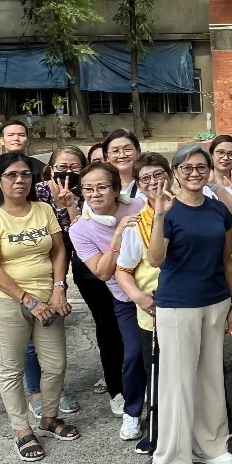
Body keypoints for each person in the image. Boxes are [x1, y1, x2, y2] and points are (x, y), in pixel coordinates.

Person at [146, 144, 232, 464]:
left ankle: (210, 444)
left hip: (215, 301)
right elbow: (155, 259)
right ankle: (170, 459)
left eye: (201, 167)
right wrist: (159, 215)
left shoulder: (216, 209)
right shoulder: (167, 210)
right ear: (175, 172)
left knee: (211, 378)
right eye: (186, 168)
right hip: (177, 305)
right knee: (178, 383)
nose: (194, 173)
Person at [0, 152, 76, 462]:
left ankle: (48, 418)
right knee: (12, 368)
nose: (20, 180)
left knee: (55, 364)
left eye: (25, 174)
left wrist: (59, 289)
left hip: (49, 299)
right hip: (8, 302)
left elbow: (59, 251)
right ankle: (22, 429)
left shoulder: (44, 209)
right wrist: (28, 300)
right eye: (11, 175)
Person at [68, 162, 144, 439]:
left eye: (101, 187)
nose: (95, 194)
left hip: (158, 292)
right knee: (134, 352)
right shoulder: (80, 229)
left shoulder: (136, 206)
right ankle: (132, 412)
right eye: (88, 189)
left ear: (115, 189)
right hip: (124, 297)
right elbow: (101, 272)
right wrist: (118, 232)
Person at [115, 152, 172, 455]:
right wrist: (138, 296)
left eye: (159, 174)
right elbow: (122, 269)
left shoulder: (190, 208)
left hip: (189, 305)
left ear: (170, 175)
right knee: (158, 372)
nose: (153, 182)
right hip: (152, 307)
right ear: (137, 184)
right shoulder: (137, 224)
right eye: (145, 178)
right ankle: (159, 430)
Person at [27, 146, 87, 417]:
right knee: (33, 328)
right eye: (62, 166)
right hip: (37, 263)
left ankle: (54, 389)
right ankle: (37, 391)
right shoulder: (34, 191)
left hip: (74, 258)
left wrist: (71, 204)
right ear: (50, 168)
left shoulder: (88, 191)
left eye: (75, 167)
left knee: (52, 328)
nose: (68, 172)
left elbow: (84, 234)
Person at [103, 129, 142, 199]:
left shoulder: (150, 182)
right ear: (107, 157)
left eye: (127, 149)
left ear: (138, 152)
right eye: (115, 151)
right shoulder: (101, 187)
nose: (122, 155)